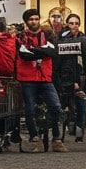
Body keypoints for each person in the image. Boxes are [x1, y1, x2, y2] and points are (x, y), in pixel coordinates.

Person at [15, 9, 65, 153]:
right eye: (31, 19)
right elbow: (24, 55)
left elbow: (52, 52)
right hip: (27, 78)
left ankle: (56, 138)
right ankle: (35, 138)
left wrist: (34, 50)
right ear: (26, 21)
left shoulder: (47, 34)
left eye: (37, 19)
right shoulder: (20, 36)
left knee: (56, 107)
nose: (34, 22)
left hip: (45, 77)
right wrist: (42, 51)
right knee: (29, 110)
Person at [52, 14, 86, 144]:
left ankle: (79, 135)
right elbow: (58, 62)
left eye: (76, 23)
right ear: (67, 24)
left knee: (81, 108)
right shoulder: (61, 41)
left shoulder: (84, 40)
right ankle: (61, 135)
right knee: (63, 108)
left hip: (80, 78)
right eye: (71, 23)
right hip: (65, 79)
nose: (74, 26)